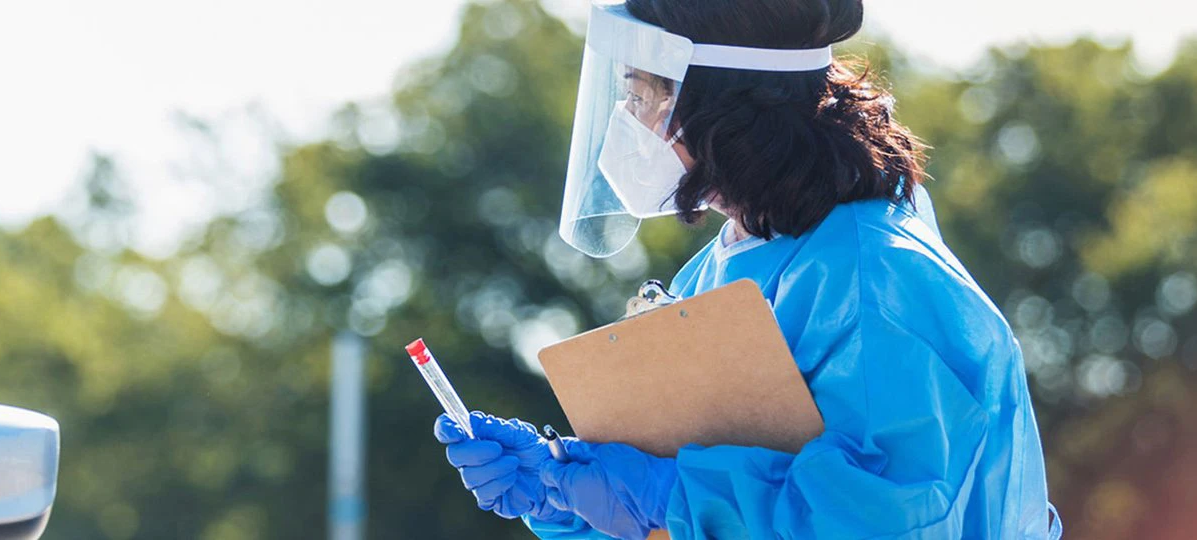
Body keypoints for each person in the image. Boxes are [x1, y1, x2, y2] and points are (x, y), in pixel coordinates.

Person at [433, 0, 1061, 537]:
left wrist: (663, 494)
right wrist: (564, 493)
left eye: (643, 93)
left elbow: (882, 522)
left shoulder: (881, 287)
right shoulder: (713, 276)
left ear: (723, 105)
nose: (628, 120)